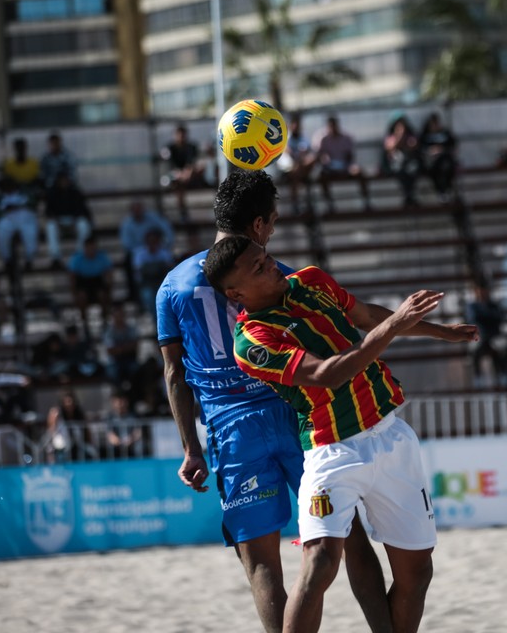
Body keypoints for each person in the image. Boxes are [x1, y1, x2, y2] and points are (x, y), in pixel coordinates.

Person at [204, 234, 478, 633]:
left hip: (390, 436)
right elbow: (327, 375)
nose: (272, 265)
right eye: (259, 267)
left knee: (417, 574)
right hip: (329, 451)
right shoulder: (251, 342)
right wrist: (395, 324)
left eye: (266, 257)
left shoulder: (311, 280)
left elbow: (365, 315)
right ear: (235, 292)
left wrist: (441, 332)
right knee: (319, 564)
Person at [156, 170, 390, 633]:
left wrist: (191, 447)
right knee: (351, 543)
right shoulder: (273, 270)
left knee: (262, 564)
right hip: (295, 417)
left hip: (232, 431)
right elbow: (325, 338)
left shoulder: (171, 285)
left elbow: (173, 374)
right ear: (259, 224)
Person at [312, 115, 370, 212]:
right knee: (322, 176)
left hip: (345, 167)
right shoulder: (323, 139)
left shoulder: (346, 138)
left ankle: (366, 201)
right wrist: (326, 161)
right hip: (330, 169)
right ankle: (329, 203)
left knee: (359, 172)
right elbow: (320, 155)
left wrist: (345, 165)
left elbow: (350, 156)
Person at [120, 201, 174, 303]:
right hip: (138, 251)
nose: (138, 213)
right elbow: (127, 244)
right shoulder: (127, 224)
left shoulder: (153, 218)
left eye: (139, 210)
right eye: (135, 210)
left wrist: (164, 245)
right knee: (128, 261)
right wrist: (145, 249)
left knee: (171, 261)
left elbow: (167, 230)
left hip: (158, 248)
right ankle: (135, 294)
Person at [465, 281, 507, 389]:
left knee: (504, 347)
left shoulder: (494, 305)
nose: (482, 293)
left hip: (495, 335)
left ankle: (504, 374)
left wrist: (484, 316)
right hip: (480, 335)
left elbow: (499, 318)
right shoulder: (472, 306)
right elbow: (472, 319)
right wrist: (489, 316)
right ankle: (478, 376)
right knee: (473, 350)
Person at [44, 171, 92, 270]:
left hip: (74, 221)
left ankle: (79, 254)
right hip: (58, 223)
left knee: (83, 224)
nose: (64, 183)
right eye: (61, 181)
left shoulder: (75, 192)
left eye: (66, 180)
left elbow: (83, 210)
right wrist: (56, 221)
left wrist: (75, 220)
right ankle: (55, 258)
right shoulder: (52, 193)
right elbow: (48, 212)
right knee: (50, 226)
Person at [161, 124, 205, 221]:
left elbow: (191, 163)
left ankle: (183, 213)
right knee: (178, 186)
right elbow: (171, 165)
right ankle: (183, 213)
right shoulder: (170, 148)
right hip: (177, 176)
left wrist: (187, 172)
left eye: (183, 134)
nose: (181, 137)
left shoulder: (191, 147)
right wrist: (180, 173)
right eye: (179, 134)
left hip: (189, 175)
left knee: (199, 169)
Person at [69, 235, 114, 329]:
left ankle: (105, 321)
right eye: (89, 247)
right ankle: (84, 323)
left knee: (103, 296)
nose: (91, 250)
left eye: (93, 247)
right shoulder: (77, 259)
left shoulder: (102, 257)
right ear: (84, 248)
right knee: (81, 297)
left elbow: (109, 274)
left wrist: (109, 290)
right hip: (83, 282)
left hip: (97, 281)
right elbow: (72, 277)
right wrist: (74, 294)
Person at [0, 177, 39, 271]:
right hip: (7, 220)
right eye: (6, 186)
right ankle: (7, 260)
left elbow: (34, 204)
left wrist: (19, 206)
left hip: (25, 219)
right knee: (1, 231)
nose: (9, 188)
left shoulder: (24, 194)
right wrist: (6, 209)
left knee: (30, 233)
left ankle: (29, 260)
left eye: (10, 186)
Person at [277, 112, 315, 213]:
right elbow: (289, 153)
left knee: (308, 163)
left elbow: (309, 153)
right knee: (296, 175)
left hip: (300, 169)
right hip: (287, 170)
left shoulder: (303, 138)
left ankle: (302, 204)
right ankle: (296, 204)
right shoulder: (286, 138)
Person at [133, 228, 174, 320]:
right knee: (148, 297)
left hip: (162, 283)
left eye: (154, 241)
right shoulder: (140, 255)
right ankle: (156, 321)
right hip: (147, 284)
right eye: (150, 241)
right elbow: (138, 274)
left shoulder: (165, 253)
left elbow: (170, 271)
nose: (152, 243)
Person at [381, 114, 421, 208]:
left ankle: (409, 195)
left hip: (409, 166)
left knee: (412, 172)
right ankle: (408, 196)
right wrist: (399, 136)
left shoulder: (410, 137)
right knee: (401, 172)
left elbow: (413, 147)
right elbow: (390, 148)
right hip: (396, 166)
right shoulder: (390, 138)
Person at [419, 111, 458, 200]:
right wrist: (431, 151)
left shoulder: (445, 133)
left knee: (447, 167)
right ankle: (441, 190)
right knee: (433, 170)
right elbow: (421, 149)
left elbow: (453, 146)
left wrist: (441, 149)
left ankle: (447, 189)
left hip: (445, 159)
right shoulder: (425, 135)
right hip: (431, 162)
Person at [102, 302, 139, 389]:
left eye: (121, 315)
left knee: (136, 370)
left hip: (130, 359)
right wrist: (126, 347)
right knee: (112, 372)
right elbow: (110, 350)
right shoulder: (109, 332)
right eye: (117, 315)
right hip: (115, 361)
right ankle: (118, 393)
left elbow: (135, 345)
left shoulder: (130, 328)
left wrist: (119, 349)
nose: (119, 317)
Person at [100, 391, 143, 459]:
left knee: (140, 447)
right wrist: (119, 442)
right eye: (117, 402)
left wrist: (130, 440)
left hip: (132, 445)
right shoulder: (109, 417)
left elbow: (138, 432)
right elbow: (110, 435)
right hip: (116, 448)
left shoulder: (134, 416)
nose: (119, 405)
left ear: (126, 402)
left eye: (121, 402)